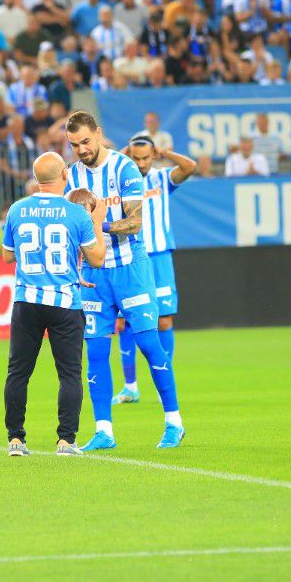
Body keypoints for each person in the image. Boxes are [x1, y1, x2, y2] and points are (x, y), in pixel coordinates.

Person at [63, 111, 184, 451]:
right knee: (97, 351)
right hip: (93, 275)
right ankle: (104, 431)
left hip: (131, 269)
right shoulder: (71, 176)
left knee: (149, 345)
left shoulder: (124, 168)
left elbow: (135, 222)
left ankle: (174, 422)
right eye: (75, 145)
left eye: (86, 141)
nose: (82, 150)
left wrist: (97, 224)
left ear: (98, 134)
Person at [0, 151, 105, 457]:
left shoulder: (18, 209)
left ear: (36, 177)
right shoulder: (76, 214)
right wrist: (97, 222)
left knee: (18, 372)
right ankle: (66, 441)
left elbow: (8, 255)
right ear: (64, 176)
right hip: (64, 303)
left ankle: (16, 440)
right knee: (70, 373)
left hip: (27, 300)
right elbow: (97, 259)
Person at [111, 133, 196, 405]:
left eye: (145, 157)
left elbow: (190, 167)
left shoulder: (161, 178)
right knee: (125, 323)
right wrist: (122, 155)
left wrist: (165, 153)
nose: (141, 163)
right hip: (132, 256)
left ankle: (164, 382)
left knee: (164, 321)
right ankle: (130, 387)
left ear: (152, 156)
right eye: (135, 158)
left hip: (159, 256)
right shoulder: (120, 180)